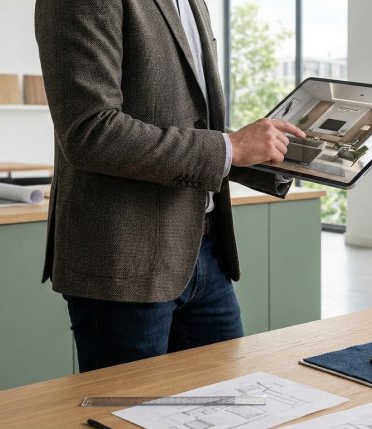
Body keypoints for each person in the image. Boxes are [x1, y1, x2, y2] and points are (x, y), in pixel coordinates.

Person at [34, 0, 305, 372]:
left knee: (227, 405)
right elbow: (91, 132)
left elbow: (190, 123)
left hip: (206, 252)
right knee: (130, 416)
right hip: (125, 260)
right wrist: (231, 146)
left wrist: (280, 154)